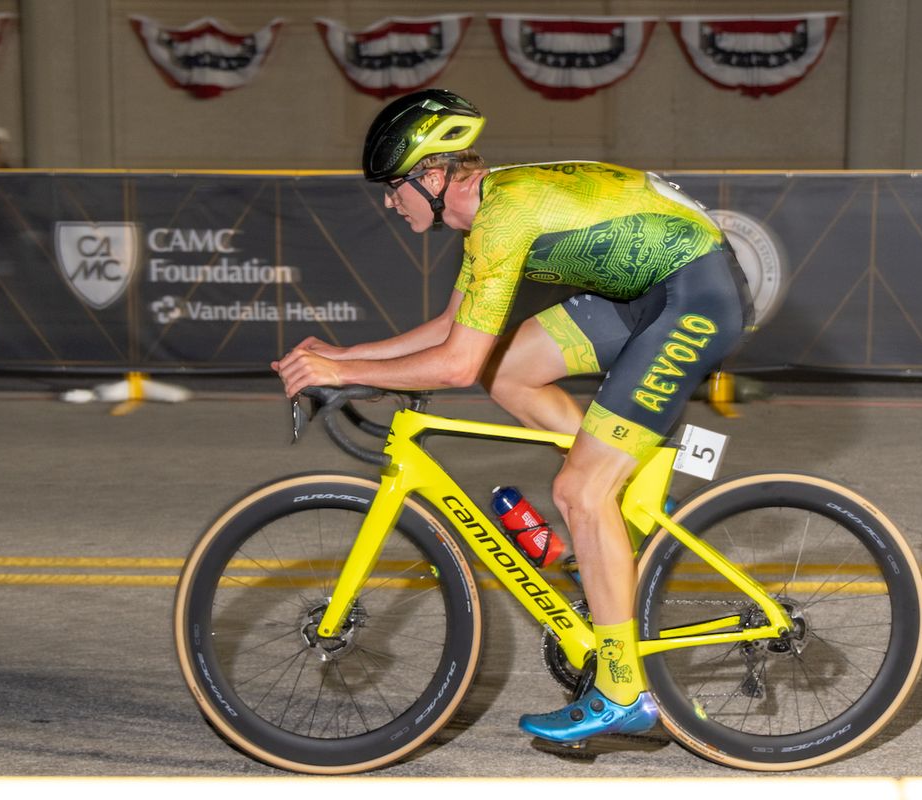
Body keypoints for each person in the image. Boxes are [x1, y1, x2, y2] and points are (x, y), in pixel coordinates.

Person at [272, 89, 752, 746]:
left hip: (691, 298)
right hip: (652, 292)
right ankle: (614, 522)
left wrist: (344, 373)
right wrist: (345, 355)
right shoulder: (490, 215)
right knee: (511, 369)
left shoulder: (503, 218)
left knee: (579, 490)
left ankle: (622, 690)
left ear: (433, 175)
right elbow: (449, 330)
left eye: (394, 188)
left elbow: (453, 367)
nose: (390, 203)